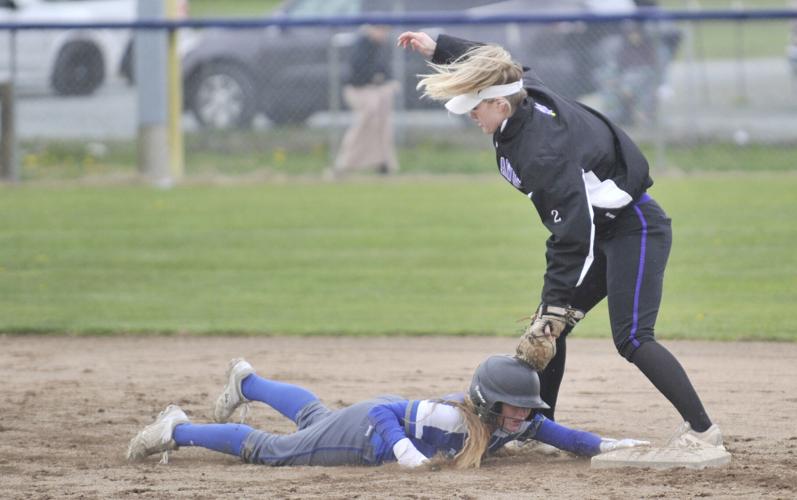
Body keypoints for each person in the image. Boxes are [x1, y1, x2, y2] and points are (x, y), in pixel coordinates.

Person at [396, 31, 724, 449]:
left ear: (500, 104)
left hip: (635, 228)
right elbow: (497, 62)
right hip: (602, 227)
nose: (470, 115)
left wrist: (554, 305)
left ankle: (703, 430)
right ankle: (536, 429)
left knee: (633, 337)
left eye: (475, 108)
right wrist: (439, 47)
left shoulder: (541, 150)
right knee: (550, 330)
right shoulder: (521, 94)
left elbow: (573, 238)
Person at [127, 355, 648, 467]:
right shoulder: (451, 418)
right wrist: (402, 450)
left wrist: (611, 446)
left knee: (313, 417)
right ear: (490, 404)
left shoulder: (516, 422)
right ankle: (180, 428)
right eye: (516, 408)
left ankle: (250, 382)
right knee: (275, 452)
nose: (525, 418)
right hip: (367, 434)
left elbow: (566, 438)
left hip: (362, 426)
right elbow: (382, 410)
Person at [333, 25, 400, 176]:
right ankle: (345, 163)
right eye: (380, 29)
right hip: (359, 90)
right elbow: (359, 73)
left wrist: (386, 80)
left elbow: (385, 70)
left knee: (382, 124)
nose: (383, 33)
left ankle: (384, 163)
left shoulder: (381, 46)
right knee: (366, 120)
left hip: (375, 90)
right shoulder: (362, 45)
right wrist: (377, 77)